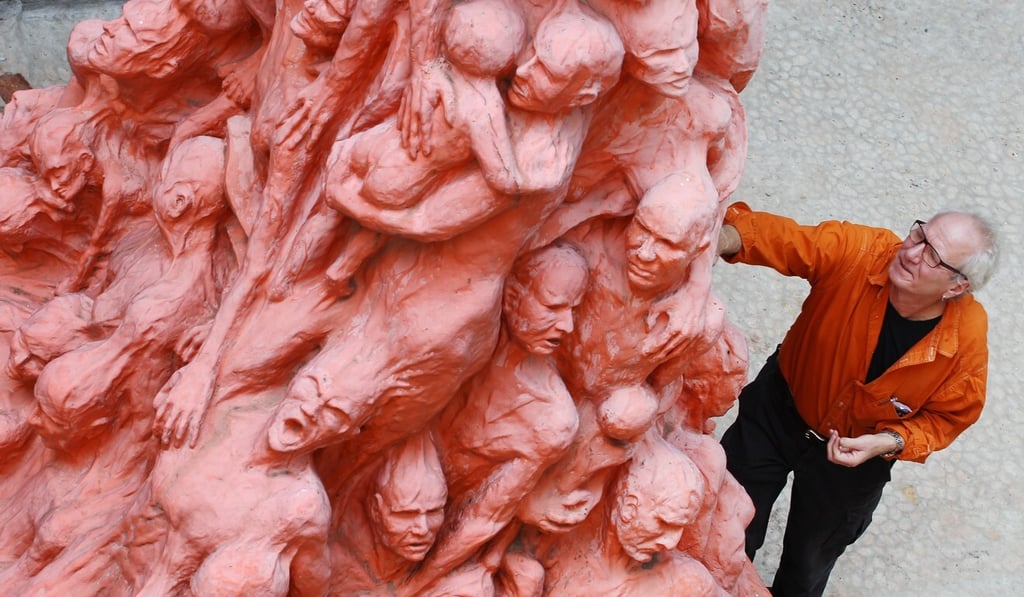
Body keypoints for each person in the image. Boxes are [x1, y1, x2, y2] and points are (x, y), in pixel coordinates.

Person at [716, 202, 999, 596]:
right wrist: (717, 238)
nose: (911, 252)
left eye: (933, 256)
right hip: (778, 412)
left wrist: (889, 442)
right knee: (724, 527)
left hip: (855, 461)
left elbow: (948, 419)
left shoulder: (965, 340)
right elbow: (784, 239)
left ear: (957, 287)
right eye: (919, 234)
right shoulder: (861, 250)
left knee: (808, 562)